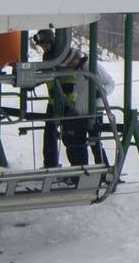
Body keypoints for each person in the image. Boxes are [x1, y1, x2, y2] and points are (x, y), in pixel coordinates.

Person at [33, 28, 113, 169]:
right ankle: (80, 170)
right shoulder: (68, 68)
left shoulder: (90, 66)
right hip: (78, 110)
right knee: (76, 143)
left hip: (94, 110)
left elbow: (110, 83)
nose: (68, 67)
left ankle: (104, 170)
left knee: (95, 142)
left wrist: (100, 93)